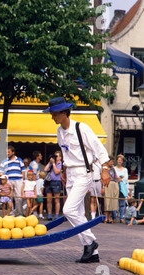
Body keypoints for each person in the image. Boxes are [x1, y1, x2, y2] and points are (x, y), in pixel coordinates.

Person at [44, 97, 110, 263]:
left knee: (69, 210)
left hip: (84, 172)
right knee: (78, 213)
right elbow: (65, 153)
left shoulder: (81, 128)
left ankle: (91, 241)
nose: (52, 117)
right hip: (71, 174)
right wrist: (64, 171)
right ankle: (91, 252)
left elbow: (100, 150)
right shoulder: (60, 131)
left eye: (55, 113)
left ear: (65, 113)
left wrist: (105, 170)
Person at [0, 145, 25, 216]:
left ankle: (20, 213)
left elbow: (23, 171)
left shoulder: (19, 160)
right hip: (9, 180)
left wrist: (22, 180)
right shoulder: (4, 161)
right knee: (9, 197)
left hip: (18, 180)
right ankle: (11, 214)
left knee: (18, 197)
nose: (7, 153)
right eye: (6, 152)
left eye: (9, 152)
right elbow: (1, 172)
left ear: (13, 152)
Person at [44, 150, 63, 220]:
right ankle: (49, 214)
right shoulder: (52, 163)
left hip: (56, 182)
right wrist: (50, 162)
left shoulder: (61, 164)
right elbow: (45, 169)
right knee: (49, 200)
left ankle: (57, 215)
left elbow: (57, 171)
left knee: (56, 200)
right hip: (49, 182)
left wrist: (54, 164)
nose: (56, 157)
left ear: (60, 157)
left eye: (57, 156)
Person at [102, 155, 119, 224]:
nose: (112, 163)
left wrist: (117, 185)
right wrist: (103, 187)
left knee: (112, 201)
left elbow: (116, 177)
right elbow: (102, 178)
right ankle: (106, 217)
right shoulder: (104, 169)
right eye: (111, 161)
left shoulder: (113, 169)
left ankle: (110, 217)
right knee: (107, 201)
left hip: (113, 184)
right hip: (107, 184)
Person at [114, 154, 130, 223]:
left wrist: (119, 178)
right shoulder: (114, 168)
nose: (119, 161)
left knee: (122, 203)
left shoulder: (125, 169)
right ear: (116, 160)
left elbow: (125, 178)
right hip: (115, 185)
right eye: (118, 160)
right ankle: (114, 217)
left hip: (123, 186)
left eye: (121, 160)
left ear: (122, 161)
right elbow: (114, 177)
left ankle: (121, 218)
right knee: (114, 202)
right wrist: (120, 178)